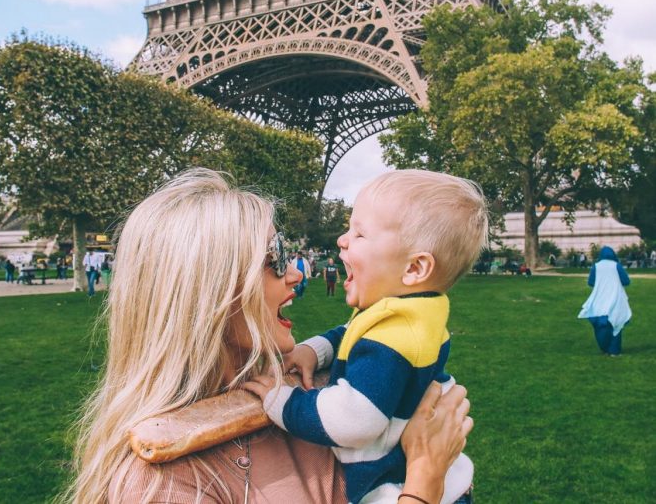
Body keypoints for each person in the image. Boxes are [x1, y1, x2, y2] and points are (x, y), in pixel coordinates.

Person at [63, 169, 473, 504]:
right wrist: (424, 481)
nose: (295, 273)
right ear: (210, 290)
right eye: (275, 256)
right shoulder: (161, 488)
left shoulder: (317, 394)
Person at [246, 169, 487, 504]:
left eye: (359, 234)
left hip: (397, 488)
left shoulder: (394, 338)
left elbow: (354, 419)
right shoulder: (408, 317)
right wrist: (315, 351)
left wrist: (281, 401)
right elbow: (352, 333)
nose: (342, 240)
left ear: (414, 269)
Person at [578, 246, 631, 356]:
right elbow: (626, 281)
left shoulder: (596, 266)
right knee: (616, 322)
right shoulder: (616, 266)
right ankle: (614, 350)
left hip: (600, 297)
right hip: (616, 297)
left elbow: (591, 282)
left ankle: (605, 347)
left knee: (601, 324)